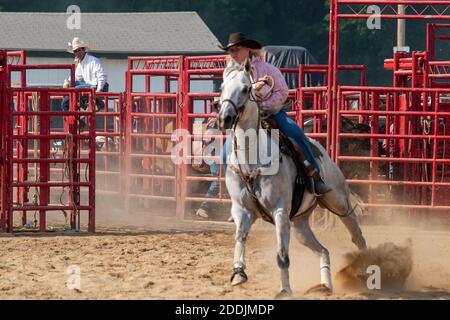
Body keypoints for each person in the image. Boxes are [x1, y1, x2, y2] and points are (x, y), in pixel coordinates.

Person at [218, 32, 331, 196]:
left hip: (271, 114)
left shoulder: (268, 69)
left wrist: (265, 106)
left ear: (248, 49)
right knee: (224, 154)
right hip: (243, 120)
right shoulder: (229, 73)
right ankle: (237, 193)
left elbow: (282, 91)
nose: (233, 53)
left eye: (237, 49)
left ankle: (315, 177)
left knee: (296, 134)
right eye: (231, 51)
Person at [61, 37, 109, 126]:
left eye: (79, 50)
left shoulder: (93, 61)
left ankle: (95, 103)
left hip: (97, 87)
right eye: (75, 51)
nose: (77, 53)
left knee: (74, 88)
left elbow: (101, 75)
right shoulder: (80, 64)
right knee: (69, 94)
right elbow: (75, 78)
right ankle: (81, 119)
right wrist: (67, 82)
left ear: (83, 50)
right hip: (90, 87)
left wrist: (98, 91)